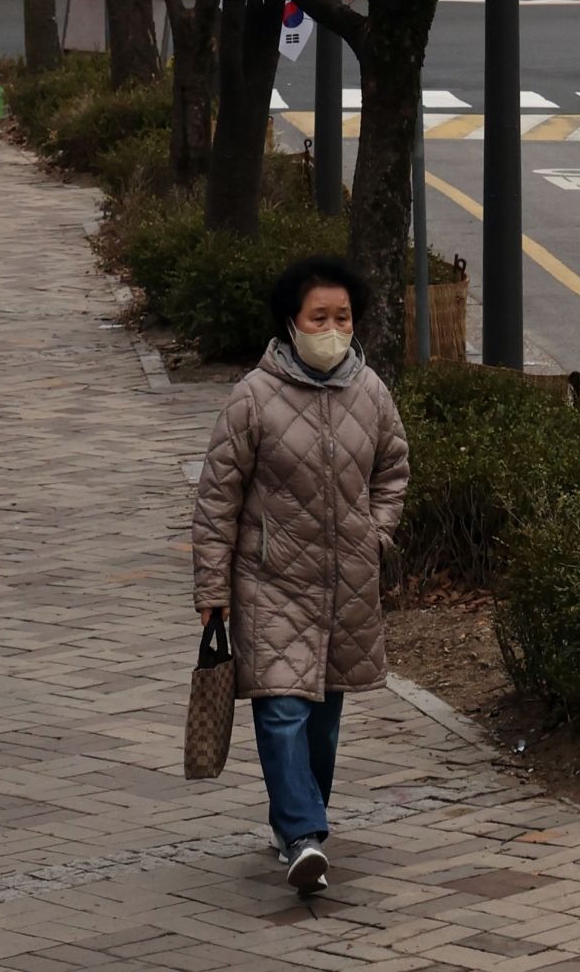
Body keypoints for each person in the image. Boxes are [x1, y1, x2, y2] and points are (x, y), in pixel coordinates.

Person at [192, 255, 410, 895]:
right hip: (272, 583)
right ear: (291, 323)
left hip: (346, 584)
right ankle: (304, 834)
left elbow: (393, 470)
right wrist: (213, 589)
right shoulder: (252, 399)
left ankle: (297, 818)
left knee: (323, 716)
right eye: (320, 317)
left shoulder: (371, 393)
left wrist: (377, 533)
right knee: (282, 708)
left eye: (343, 317)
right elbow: (217, 499)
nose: (333, 329)